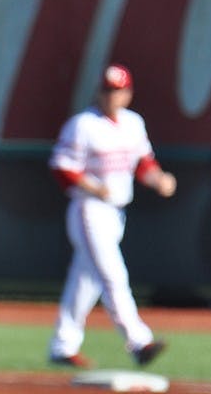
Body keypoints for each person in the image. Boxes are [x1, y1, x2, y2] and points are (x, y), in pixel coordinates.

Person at [47, 63, 177, 368]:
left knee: (85, 281)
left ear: (128, 94)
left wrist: (158, 179)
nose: (111, 97)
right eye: (106, 90)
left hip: (116, 212)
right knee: (113, 275)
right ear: (99, 92)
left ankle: (63, 346)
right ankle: (139, 341)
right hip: (88, 210)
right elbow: (62, 167)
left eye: (117, 91)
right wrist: (92, 187)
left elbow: (143, 164)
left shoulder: (133, 123)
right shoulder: (83, 125)